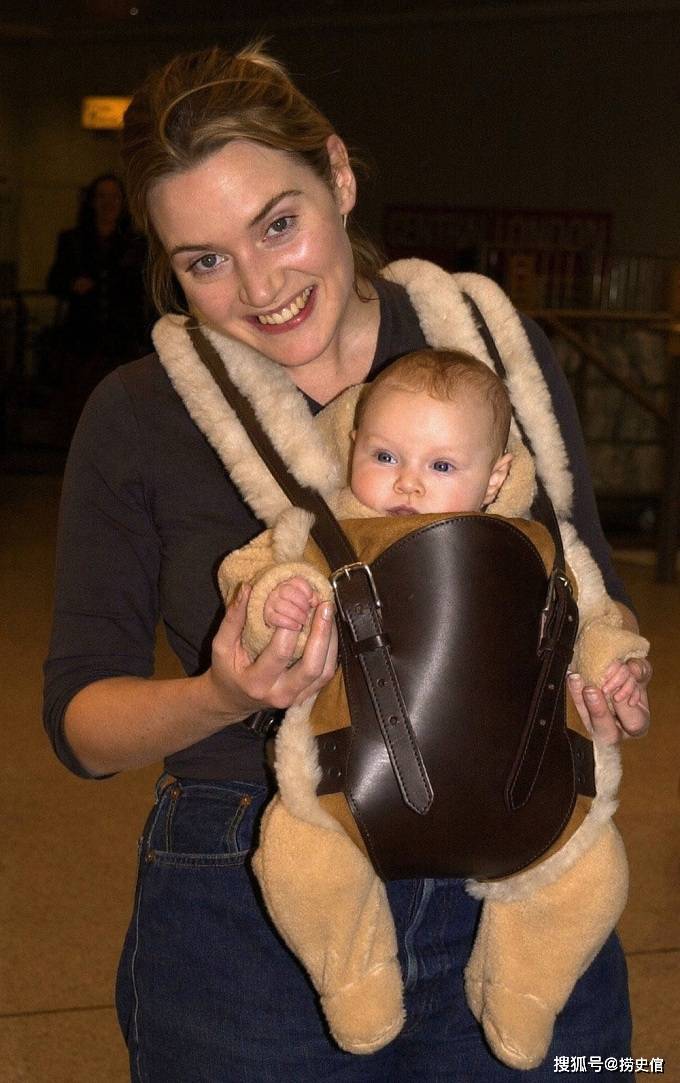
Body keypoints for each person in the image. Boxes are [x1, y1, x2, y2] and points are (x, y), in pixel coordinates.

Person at [42, 42, 651, 1082]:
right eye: (203, 260)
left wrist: (605, 681)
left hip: (510, 844)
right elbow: (81, 727)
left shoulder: (487, 350)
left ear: (338, 174)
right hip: (252, 887)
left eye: (277, 223)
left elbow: (586, 587)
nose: (259, 285)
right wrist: (218, 691)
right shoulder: (136, 416)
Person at [217, 346, 647, 1069]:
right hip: (343, 787)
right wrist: (275, 600)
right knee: (299, 861)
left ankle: (524, 990)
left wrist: (618, 668)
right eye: (385, 455)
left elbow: (598, 619)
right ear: (352, 443)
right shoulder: (322, 529)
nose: (407, 483)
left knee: (591, 872)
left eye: (442, 466)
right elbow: (248, 575)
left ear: (497, 475)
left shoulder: (545, 541)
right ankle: (354, 980)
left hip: (524, 781)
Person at [46, 173, 150, 437]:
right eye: (101, 196)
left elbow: (144, 290)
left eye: (114, 196)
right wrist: (72, 283)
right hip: (82, 337)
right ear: (92, 201)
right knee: (80, 405)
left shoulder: (136, 243)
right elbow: (53, 281)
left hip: (123, 338)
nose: (108, 203)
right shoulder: (72, 240)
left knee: (123, 406)